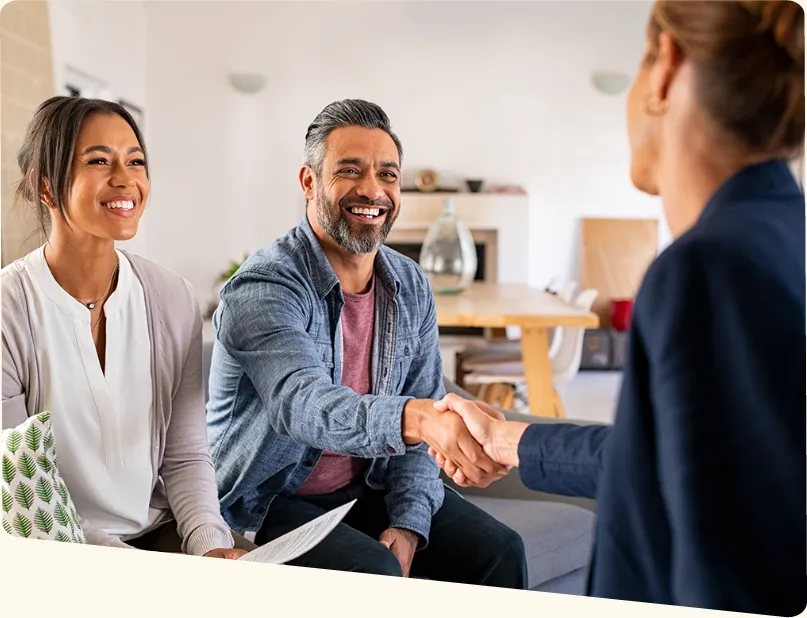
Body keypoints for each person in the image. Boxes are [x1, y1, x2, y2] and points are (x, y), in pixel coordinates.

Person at [430, 1, 805, 615]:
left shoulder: (709, 269)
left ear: (665, 68)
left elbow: (729, 568)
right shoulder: (782, 235)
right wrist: (507, 439)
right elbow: (660, 463)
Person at [206, 99, 527, 586]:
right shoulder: (265, 286)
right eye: (350, 171)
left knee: (501, 551)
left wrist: (408, 522)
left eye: (388, 175)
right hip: (264, 501)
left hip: (364, 486)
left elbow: (424, 419)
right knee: (372, 573)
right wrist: (417, 417)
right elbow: (303, 403)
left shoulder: (409, 283)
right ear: (309, 181)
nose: (373, 190)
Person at [2, 96, 251, 559]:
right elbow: (26, 491)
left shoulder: (171, 297)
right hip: (54, 545)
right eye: (99, 160)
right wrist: (132, 571)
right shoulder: (9, 309)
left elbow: (186, 456)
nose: (126, 180)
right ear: (46, 189)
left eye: (135, 161)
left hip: (159, 528)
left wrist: (209, 546)